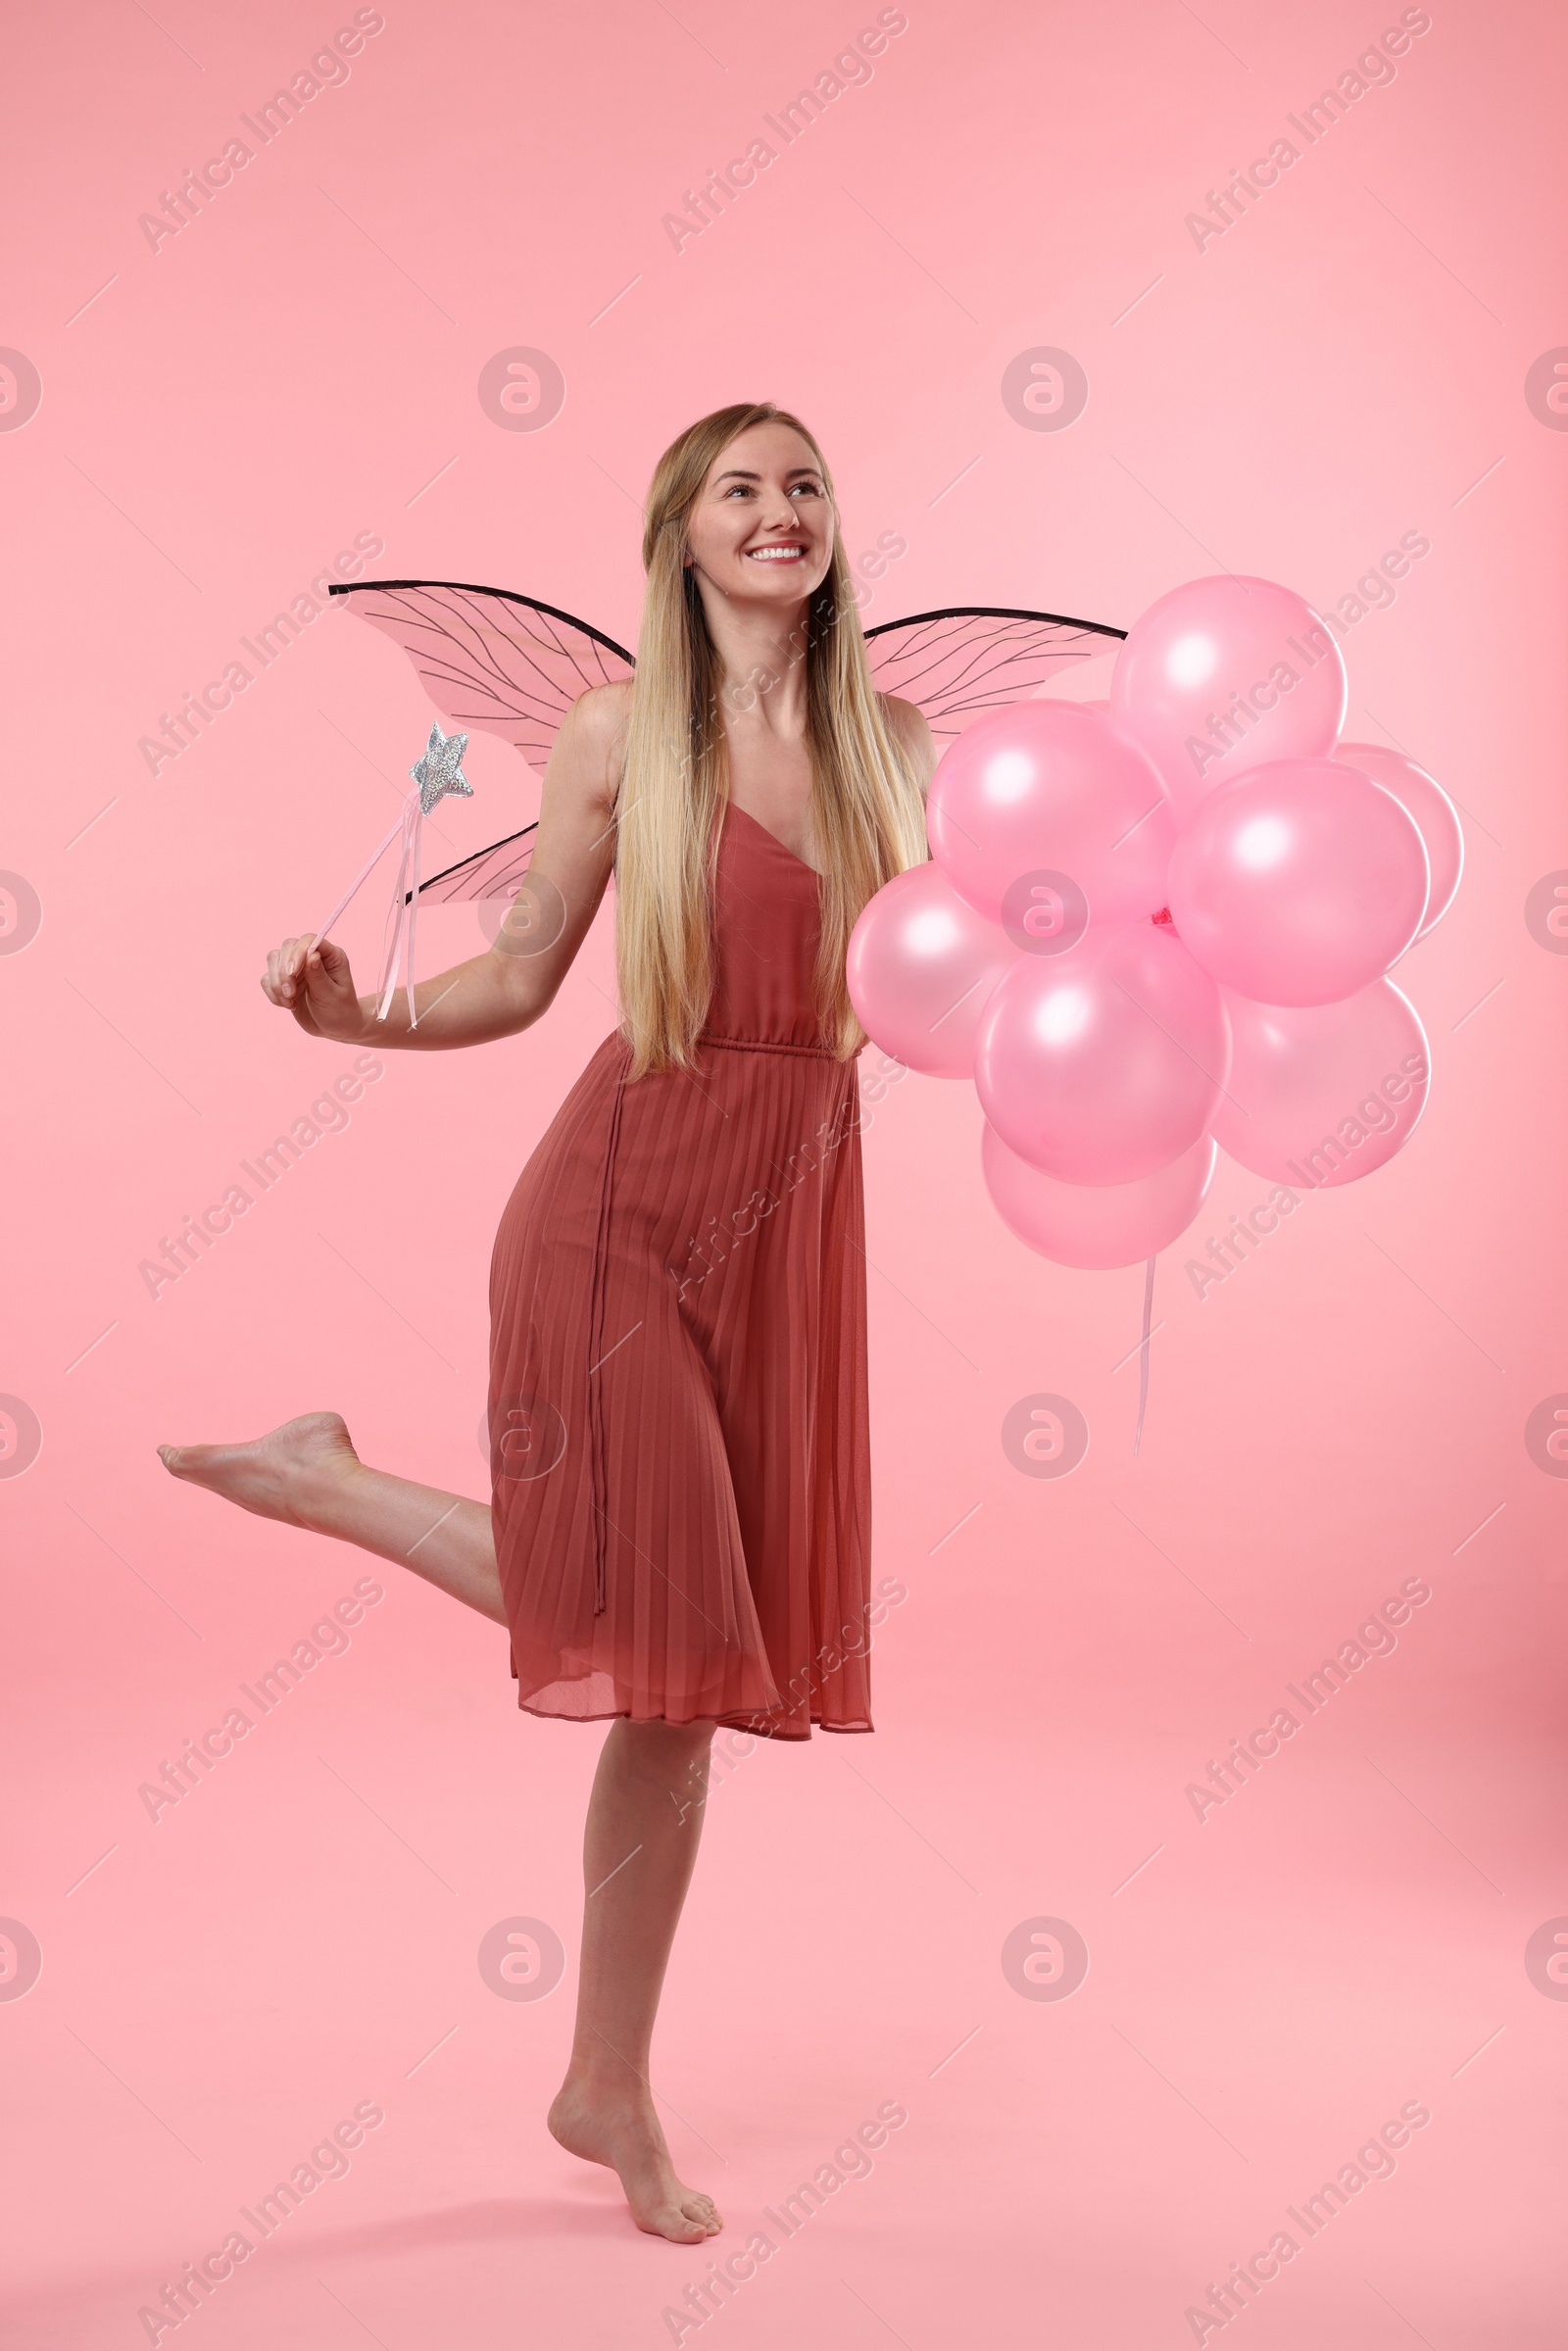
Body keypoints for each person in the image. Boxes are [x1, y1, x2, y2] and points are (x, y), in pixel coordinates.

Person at [158, 402, 937, 2242]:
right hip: (619, 1208)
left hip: (794, 1221)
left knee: (678, 1700)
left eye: (806, 484)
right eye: (740, 489)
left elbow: (950, 976)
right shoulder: (620, 733)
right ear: (679, 537)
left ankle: (601, 2083)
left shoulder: (898, 743)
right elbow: (519, 974)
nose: (781, 511)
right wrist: (355, 1015)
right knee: (672, 1640)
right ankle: (324, 1485)